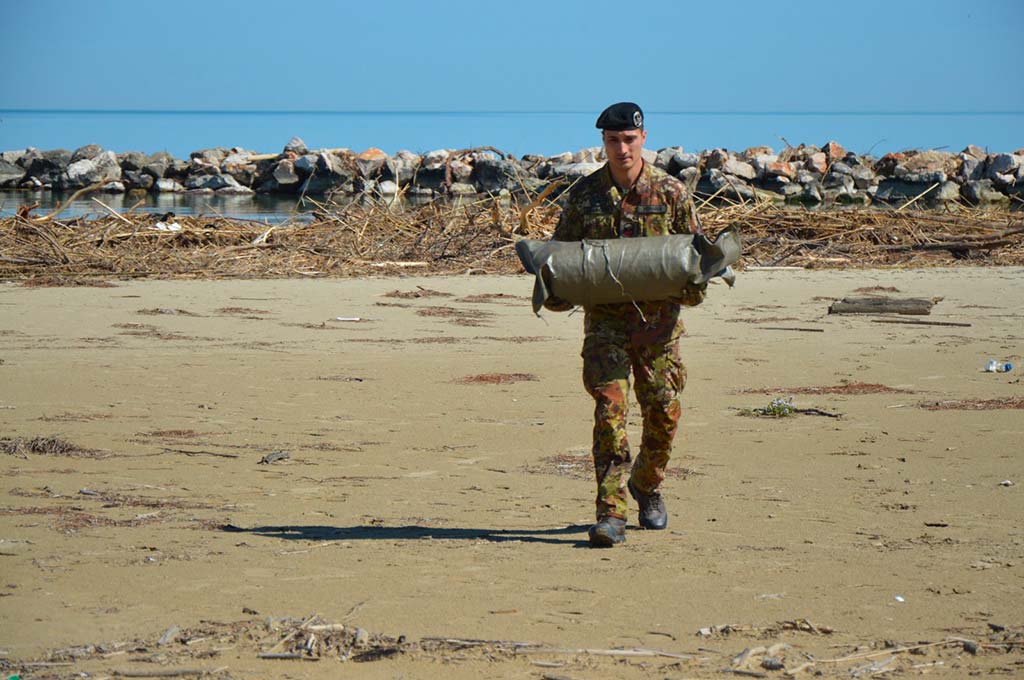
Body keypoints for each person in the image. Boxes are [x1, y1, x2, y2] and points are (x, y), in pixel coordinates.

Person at [550, 102, 705, 548]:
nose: (622, 148)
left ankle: (647, 484)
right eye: (613, 140)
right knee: (609, 411)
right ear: (603, 142)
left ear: (643, 138)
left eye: (629, 139)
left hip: (658, 327)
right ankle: (611, 513)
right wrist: (555, 292)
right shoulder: (585, 196)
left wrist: (692, 288)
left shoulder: (671, 193)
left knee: (663, 413)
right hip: (606, 325)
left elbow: (696, 257)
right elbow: (562, 257)